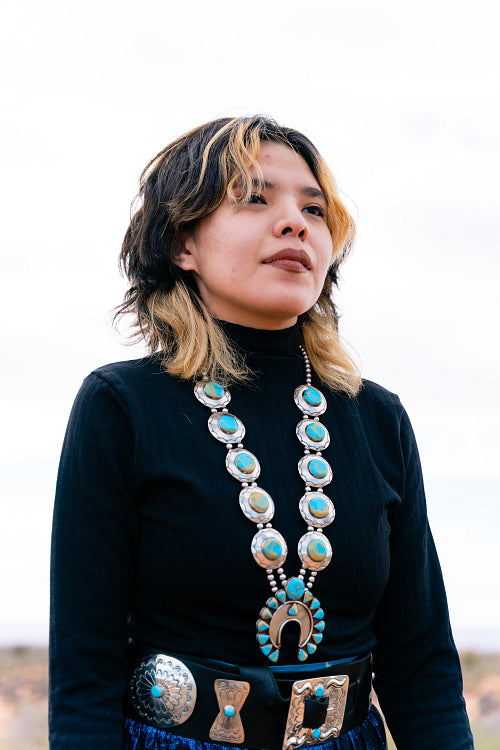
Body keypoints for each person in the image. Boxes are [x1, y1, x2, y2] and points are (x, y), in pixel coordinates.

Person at [49, 115, 474, 750]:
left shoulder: (379, 419)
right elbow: (84, 669)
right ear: (181, 244)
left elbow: (423, 663)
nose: (294, 222)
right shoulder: (122, 405)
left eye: (314, 208)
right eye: (254, 198)